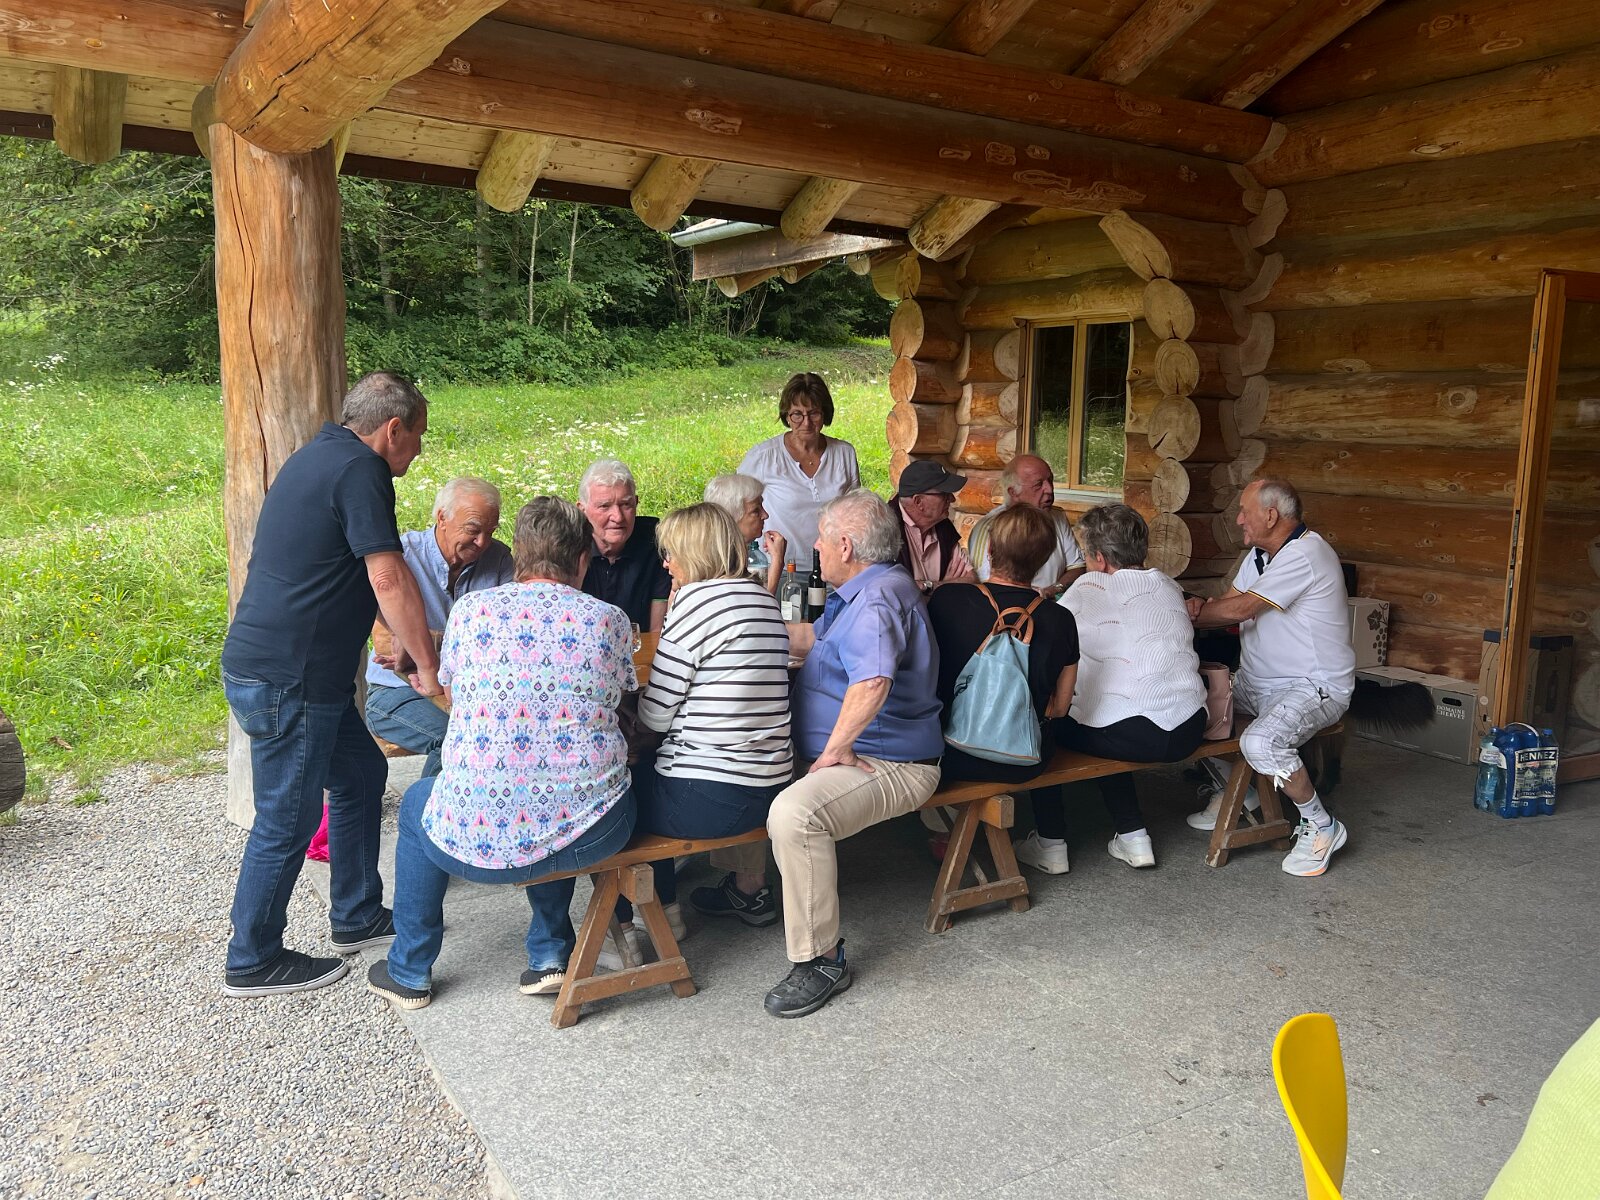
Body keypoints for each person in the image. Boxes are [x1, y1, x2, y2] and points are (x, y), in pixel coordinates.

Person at [367, 497, 638, 1009]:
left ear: (518, 557)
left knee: (420, 805)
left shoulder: (470, 613)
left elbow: (453, 694)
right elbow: (622, 694)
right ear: (582, 559)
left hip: (476, 832)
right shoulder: (609, 620)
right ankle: (549, 953)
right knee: (564, 788)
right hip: (590, 832)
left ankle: (410, 969)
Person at [220, 371, 438, 999]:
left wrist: (392, 638)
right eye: (418, 435)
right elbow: (387, 575)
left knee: (361, 774)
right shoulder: (362, 469)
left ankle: (356, 913)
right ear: (392, 429)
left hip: (289, 670)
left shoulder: (319, 456)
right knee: (288, 817)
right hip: (293, 677)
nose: (419, 448)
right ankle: (252, 957)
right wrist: (427, 668)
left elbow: (330, 569)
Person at [734, 490, 942, 1019]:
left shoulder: (876, 600)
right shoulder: (863, 590)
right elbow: (816, 644)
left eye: (822, 540)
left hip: (889, 761)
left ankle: (821, 961)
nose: (817, 548)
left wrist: (832, 751)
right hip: (858, 751)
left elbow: (873, 680)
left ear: (846, 546)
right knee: (743, 762)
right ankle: (744, 886)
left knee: (796, 814)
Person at [1187, 478, 1355, 877]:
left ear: (1271, 515)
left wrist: (1177, 611)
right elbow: (1229, 602)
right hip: (1255, 683)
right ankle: (1241, 792)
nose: (1239, 519)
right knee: (1184, 714)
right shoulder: (1260, 555)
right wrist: (1199, 607)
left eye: (1244, 511)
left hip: (1314, 687)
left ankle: (1321, 825)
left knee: (1261, 742)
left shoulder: (1307, 553)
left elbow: (1240, 610)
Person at [1028, 503, 1209, 873]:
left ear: (1098, 557)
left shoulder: (1088, 586)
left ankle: (1050, 843)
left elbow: (1049, 642)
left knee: (1041, 726)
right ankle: (1133, 836)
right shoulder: (1168, 585)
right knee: (1110, 709)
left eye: (1087, 555)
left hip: (1135, 734)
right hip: (1189, 727)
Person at [637, 503, 792, 918]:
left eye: (671, 552)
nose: (666, 562)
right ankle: (732, 894)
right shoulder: (762, 598)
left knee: (610, 803)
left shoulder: (697, 601)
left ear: (694, 552)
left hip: (708, 799)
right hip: (771, 790)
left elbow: (655, 715)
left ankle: (656, 918)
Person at [364, 477, 513, 777]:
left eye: (490, 531)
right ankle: (429, 807)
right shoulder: (402, 557)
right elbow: (384, 642)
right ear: (442, 518)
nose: (482, 542)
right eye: (473, 530)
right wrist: (467, 645)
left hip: (470, 692)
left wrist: (427, 642)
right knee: (454, 737)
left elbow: (506, 641)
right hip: (395, 691)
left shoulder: (499, 559)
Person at [927, 504, 1078, 784]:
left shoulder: (947, 599)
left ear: (990, 549)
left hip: (948, 750)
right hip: (1022, 760)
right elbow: (1059, 708)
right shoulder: (1061, 619)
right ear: (1045, 558)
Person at [737, 372, 860, 568]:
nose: (806, 422)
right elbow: (734, 508)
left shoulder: (844, 453)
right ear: (787, 415)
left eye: (814, 413)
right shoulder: (763, 456)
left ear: (825, 413)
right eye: (797, 414)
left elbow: (855, 513)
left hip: (835, 567)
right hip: (779, 568)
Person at [966, 454, 1084, 597]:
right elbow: (984, 585)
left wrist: (1051, 590)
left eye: (1050, 480)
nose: (1049, 489)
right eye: (1038, 484)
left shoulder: (1057, 516)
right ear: (1013, 492)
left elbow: (1077, 567)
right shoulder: (989, 528)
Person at [578, 459, 671, 632]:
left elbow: (656, 633)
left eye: (626, 504)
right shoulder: (568, 549)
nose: (618, 517)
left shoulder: (656, 543)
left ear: (636, 502)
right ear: (582, 510)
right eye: (604, 506)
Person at [893, 459, 976, 590]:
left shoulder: (943, 526)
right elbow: (893, 591)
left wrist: (932, 587)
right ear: (918, 501)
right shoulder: (884, 531)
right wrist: (945, 586)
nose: (952, 499)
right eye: (944, 494)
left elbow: (971, 579)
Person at [703, 473, 787, 593]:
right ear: (731, 517)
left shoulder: (733, 553)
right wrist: (777, 561)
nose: (765, 515)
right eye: (756, 511)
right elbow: (760, 603)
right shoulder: (717, 563)